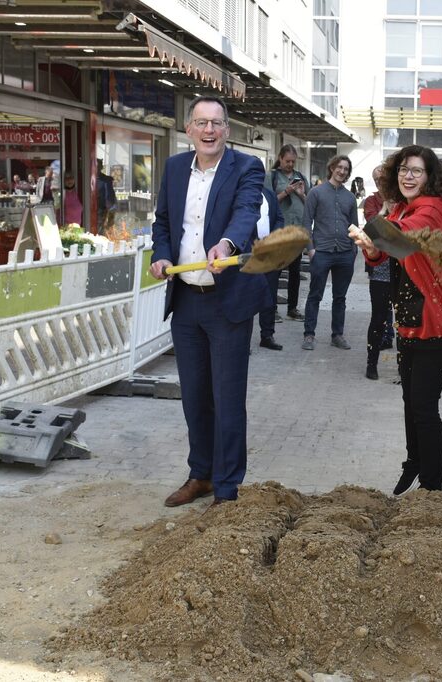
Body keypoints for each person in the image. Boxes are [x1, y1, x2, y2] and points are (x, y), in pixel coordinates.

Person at [148, 96, 270, 511]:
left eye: (216, 123)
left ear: (227, 130)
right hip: (185, 298)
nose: (209, 130)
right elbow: (164, 221)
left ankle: (227, 487)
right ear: (189, 129)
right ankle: (199, 474)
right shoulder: (175, 167)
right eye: (201, 122)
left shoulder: (247, 168)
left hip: (227, 301)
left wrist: (227, 242)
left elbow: (246, 211)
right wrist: (160, 256)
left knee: (227, 397)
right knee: (195, 396)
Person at [349, 144, 442, 493]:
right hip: (411, 318)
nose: (408, 176)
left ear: (430, 178)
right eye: (403, 170)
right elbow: (393, 249)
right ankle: (415, 462)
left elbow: (402, 233)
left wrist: (373, 232)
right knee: (410, 402)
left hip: (437, 322)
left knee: (424, 408)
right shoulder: (404, 207)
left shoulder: (431, 208)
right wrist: (371, 247)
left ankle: (432, 490)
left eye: (416, 170)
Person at [301, 154, 359, 351]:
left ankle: (337, 335)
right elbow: (306, 222)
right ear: (332, 167)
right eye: (339, 167)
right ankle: (309, 334)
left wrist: (354, 249)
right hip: (321, 252)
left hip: (344, 252)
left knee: (340, 297)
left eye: (346, 169)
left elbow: (354, 226)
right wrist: (310, 249)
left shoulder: (350, 197)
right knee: (315, 294)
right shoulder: (315, 193)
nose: (342, 171)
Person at [265, 144, 309, 321]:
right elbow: (268, 203)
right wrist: (286, 192)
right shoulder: (272, 176)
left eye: (293, 161)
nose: (290, 164)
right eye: (287, 161)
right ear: (280, 158)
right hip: (279, 231)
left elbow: (309, 203)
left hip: (297, 231)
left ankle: (293, 308)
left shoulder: (301, 177)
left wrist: (300, 193)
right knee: (275, 271)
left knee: (295, 271)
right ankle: (272, 308)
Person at [363, 165, 393, 380]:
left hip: (404, 265)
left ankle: (405, 364)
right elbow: (371, 230)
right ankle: (371, 363)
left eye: (383, 178)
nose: (380, 182)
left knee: (405, 320)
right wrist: (384, 210)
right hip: (381, 268)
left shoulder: (403, 196)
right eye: (376, 179)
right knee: (378, 317)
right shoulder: (372, 201)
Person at [257, 185, 287, 350]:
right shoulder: (238, 192)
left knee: (269, 296)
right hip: (248, 253)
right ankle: (241, 340)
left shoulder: (269, 194)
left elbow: (279, 218)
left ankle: (267, 335)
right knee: (245, 299)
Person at [96, 160, 118, 232]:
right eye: (95, 166)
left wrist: (111, 215)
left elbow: (111, 197)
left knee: (105, 231)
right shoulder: (87, 179)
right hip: (95, 212)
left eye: (98, 166)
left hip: (104, 211)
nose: (97, 168)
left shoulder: (107, 180)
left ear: (101, 167)